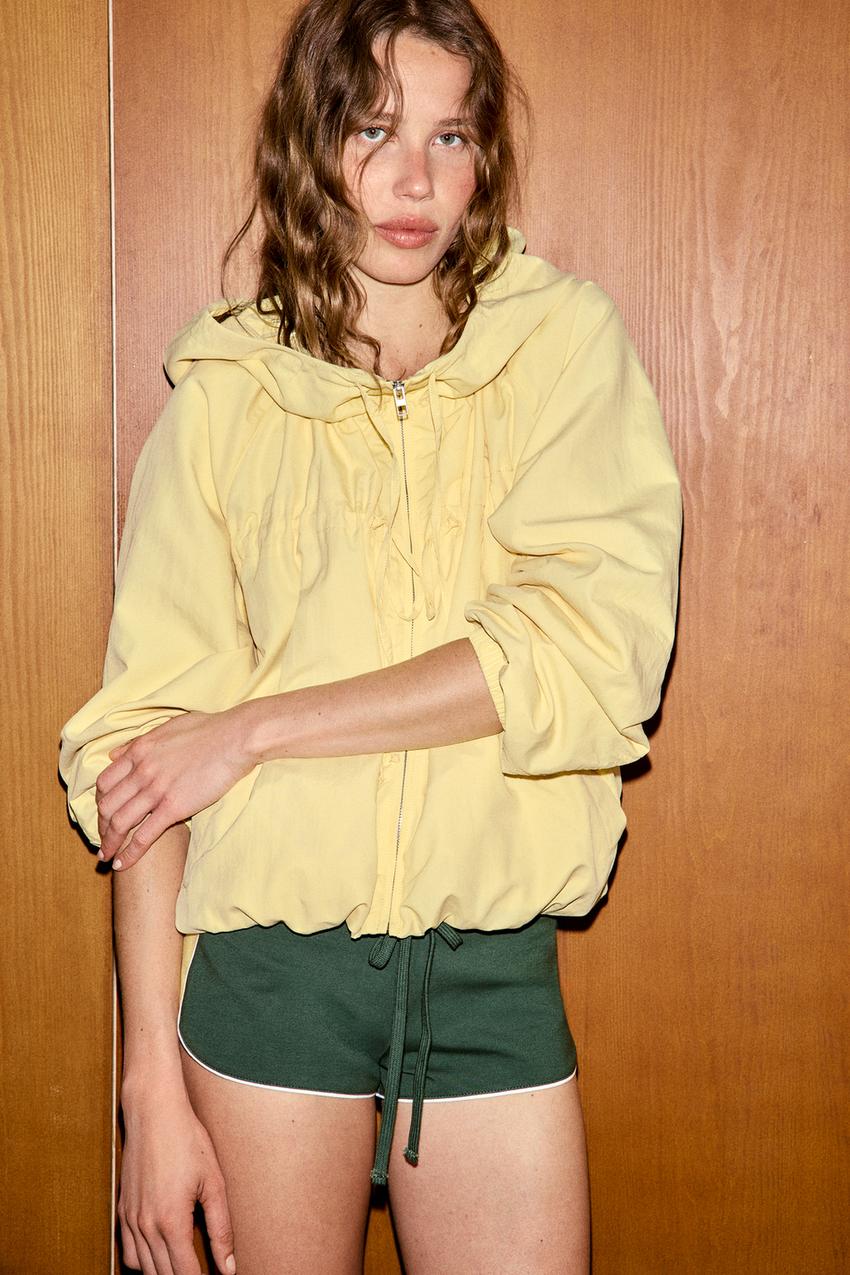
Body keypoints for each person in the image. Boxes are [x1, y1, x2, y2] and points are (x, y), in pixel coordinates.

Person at [60, 1, 681, 1271]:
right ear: (310, 143)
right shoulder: (225, 399)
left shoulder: (563, 349)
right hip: (267, 984)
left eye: (450, 136)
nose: (414, 180)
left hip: (490, 976)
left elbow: (587, 651)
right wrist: (148, 1092)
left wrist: (254, 728)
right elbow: (147, 767)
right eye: (373, 129)